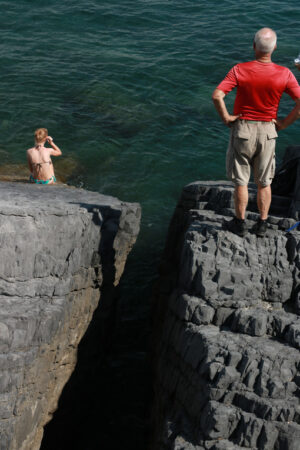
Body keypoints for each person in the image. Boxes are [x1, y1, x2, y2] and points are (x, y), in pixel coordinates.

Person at [212, 28, 300, 237]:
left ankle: (240, 223)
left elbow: (217, 96)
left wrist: (226, 118)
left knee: (241, 181)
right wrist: (283, 123)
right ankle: (262, 223)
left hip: (243, 129)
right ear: (275, 48)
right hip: (268, 130)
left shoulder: (239, 70)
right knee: (264, 182)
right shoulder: (285, 73)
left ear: (253, 46)